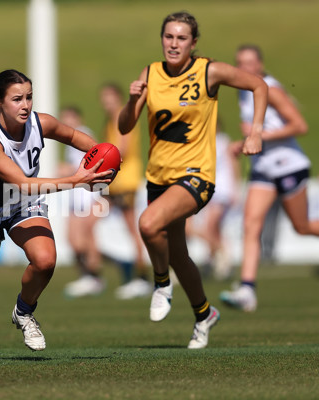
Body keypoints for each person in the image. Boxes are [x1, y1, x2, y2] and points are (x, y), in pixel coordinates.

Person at [0, 69, 111, 361]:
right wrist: (78, 180)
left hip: (21, 204)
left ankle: (24, 311)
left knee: (45, 260)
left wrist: (106, 156)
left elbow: (74, 137)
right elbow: (21, 181)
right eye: (17, 99)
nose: (26, 105)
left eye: (29, 97)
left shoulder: (40, 122)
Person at [118, 12, 268, 349]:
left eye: (181, 38)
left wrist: (256, 131)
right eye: (168, 37)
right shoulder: (150, 73)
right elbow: (126, 126)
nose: (173, 44)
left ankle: (160, 284)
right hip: (158, 178)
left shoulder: (208, 71)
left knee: (147, 224)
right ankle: (204, 315)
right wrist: (131, 99)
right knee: (178, 255)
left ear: (193, 43)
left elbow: (258, 85)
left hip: (196, 176)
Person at [220, 44, 314, 312]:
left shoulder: (269, 88)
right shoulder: (242, 90)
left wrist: (257, 136)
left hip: (287, 165)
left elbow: (300, 125)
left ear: (260, 64)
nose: (245, 68)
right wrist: (244, 143)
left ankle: (247, 289)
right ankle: (247, 289)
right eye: (240, 63)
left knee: (303, 226)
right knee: (251, 225)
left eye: (250, 63)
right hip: (263, 167)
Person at [99, 83, 151, 300]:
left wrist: (99, 159)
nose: (106, 102)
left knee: (133, 230)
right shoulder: (109, 121)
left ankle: (142, 278)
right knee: (94, 223)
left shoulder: (124, 117)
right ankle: (123, 275)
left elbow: (124, 149)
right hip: (115, 182)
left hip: (127, 181)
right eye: (103, 98)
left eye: (110, 97)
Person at [58, 106, 106, 298]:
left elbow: (92, 163)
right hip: (76, 197)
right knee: (73, 240)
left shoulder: (84, 135)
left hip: (89, 196)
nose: (65, 122)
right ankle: (87, 276)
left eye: (68, 118)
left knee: (86, 239)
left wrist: (66, 169)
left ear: (77, 118)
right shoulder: (69, 140)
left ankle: (93, 278)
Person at [185, 123, 240, 280]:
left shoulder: (223, 141)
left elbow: (233, 164)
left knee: (210, 227)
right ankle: (217, 259)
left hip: (222, 190)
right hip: (211, 189)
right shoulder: (203, 142)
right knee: (215, 229)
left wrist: (235, 189)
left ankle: (223, 258)